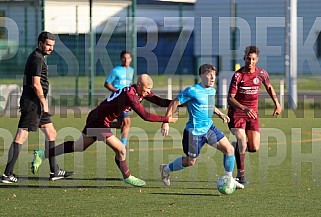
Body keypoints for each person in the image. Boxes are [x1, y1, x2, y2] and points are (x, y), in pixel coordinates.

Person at [31, 74, 178, 187]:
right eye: (146, 89)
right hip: (99, 121)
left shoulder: (139, 92)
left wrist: (180, 102)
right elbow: (145, 115)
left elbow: (159, 101)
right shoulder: (130, 95)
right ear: (139, 85)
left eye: (149, 90)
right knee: (120, 149)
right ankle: (127, 176)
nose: (148, 93)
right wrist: (166, 120)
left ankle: (43, 154)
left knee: (79, 146)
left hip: (97, 117)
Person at [1, 31, 73, 183]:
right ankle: (7, 174)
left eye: (52, 45)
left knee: (51, 133)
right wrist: (44, 102)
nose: (51, 48)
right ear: (40, 43)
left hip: (37, 104)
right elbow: (35, 83)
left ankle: (55, 171)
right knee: (21, 135)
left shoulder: (39, 58)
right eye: (48, 45)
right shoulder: (37, 58)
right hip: (33, 104)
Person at [160, 64, 244, 189]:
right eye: (209, 74)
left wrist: (220, 114)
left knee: (229, 150)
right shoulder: (192, 91)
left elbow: (209, 105)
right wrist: (166, 121)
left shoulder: (212, 90)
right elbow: (175, 102)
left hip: (209, 129)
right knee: (190, 162)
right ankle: (165, 169)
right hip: (194, 133)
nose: (212, 78)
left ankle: (229, 179)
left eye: (214, 75)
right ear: (201, 75)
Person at [227, 45, 282, 184]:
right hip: (237, 113)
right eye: (248, 59)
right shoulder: (238, 75)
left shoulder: (262, 73)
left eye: (253, 59)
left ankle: (235, 148)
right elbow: (230, 98)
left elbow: (269, 87)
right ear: (244, 58)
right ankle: (241, 176)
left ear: (257, 60)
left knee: (254, 148)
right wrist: (243, 108)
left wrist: (277, 104)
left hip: (252, 114)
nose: (250, 62)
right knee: (241, 139)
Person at [104, 50, 134, 147]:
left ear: (131, 59)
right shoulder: (116, 70)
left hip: (127, 101)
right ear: (121, 59)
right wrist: (117, 91)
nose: (126, 60)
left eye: (128, 58)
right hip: (118, 100)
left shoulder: (131, 70)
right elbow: (107, 83)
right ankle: (123, 146)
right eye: (124, 58)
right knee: (127, 121)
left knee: (120, 125)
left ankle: (100, 126)